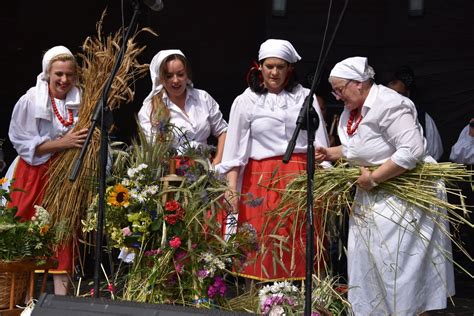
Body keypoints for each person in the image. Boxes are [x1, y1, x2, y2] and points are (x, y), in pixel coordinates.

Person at [315, 56, 454, 315]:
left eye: (339, 89)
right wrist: (330, 153)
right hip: (374, 197)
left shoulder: (390, 104)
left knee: (400, 267)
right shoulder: (351, 110)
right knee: (369, 263)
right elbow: (362, 147)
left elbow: (411, 151)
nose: (336, 95)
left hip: (404, 198)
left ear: (358, 84)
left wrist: (374, 178)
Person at [216, 39, 330, 282]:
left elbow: (320, 147)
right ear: (259, 67)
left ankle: (296, 302)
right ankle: (257, 300)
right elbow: (234, 151)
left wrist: (324, 183)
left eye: (280, 66)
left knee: (298, 241)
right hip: (260, 180)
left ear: (290, 68)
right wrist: (230, 189)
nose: (274, 72)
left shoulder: (305, 97)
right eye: (269, 66)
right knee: (262, 243)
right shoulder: (246, 101)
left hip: (298, 178)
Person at [3, 46, 88, 295]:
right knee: (27, 233)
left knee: (62, 234)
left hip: (64, 177)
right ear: (47, 74)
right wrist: (62, 144)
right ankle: (22, 300)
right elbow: (20, 140)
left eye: (69, 75)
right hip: (32, 173)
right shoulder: (31, 100)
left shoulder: (81, 100)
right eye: (58, 74)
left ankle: (62, 302)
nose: (64, 80)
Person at [138, 49, 228, 166]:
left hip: (207, 172)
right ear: (160, 78)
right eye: (169, 76)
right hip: (171, 176)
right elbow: (154, 152)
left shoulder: (203, 98)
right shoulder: (150, 109)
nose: (175, 80)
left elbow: (223, 131)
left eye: (180, 74)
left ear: (187, 75)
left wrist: (216, 164)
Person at [387, 66, 444, 161]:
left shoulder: (423, 118)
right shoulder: (376, 117)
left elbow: (435, 151)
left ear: (407, 94)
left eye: (399, 94)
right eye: (391, 94)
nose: (395, 98)